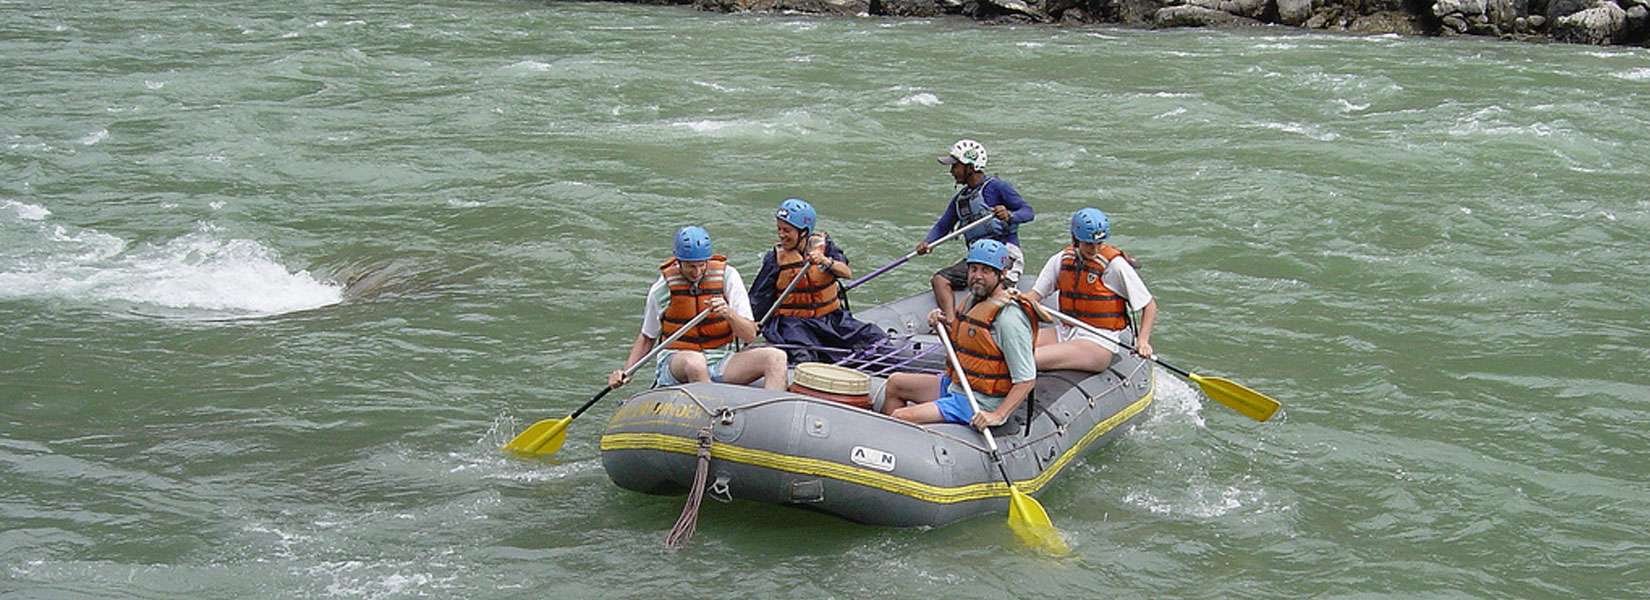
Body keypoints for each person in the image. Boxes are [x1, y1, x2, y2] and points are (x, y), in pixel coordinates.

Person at [881, 240, 1038, 430]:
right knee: (895, 382)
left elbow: (1026, 379)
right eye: (974, 269)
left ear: (1001, 274)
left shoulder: (1008, 319)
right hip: (958, 386)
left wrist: (997, 415)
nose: (977, 276)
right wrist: (940, 327)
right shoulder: (972, 302)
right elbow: (961, 350)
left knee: (900, 416)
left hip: (979, 402)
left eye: (985, 271)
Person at [608, 226, 787, 391]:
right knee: (695, 363)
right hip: (677, 361)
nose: (697, 271)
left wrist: (728, 313)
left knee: (776, 357)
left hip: (720, 360)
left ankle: (774, 414)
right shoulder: (662, 289)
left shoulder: (728, 277)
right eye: (691, 266)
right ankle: (712, 414)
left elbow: (749, 334)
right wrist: (627, 372)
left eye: (702, 264)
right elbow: (647, 337)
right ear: (678, 262)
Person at [748, 198, 886, 364]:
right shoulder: (775, 260)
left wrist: (825, 261)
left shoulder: (825, 247)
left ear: (804, 232)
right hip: (794, 324)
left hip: (830, 319)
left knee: (875, 336)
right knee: (804, 358)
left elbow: (847, 272)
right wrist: (750, 325)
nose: (781, 235)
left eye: (787, 230)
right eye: (779, 229)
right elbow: (758, 298)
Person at [914, 139, 1035, 327]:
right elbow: (942, 226)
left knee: (989, 292)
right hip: (977, 257)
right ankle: (952, 323)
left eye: (955, 166)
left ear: (970, 166)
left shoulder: (997, 187)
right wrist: (927, 243)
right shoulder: (960, 199)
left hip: (1005, 253)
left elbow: (1028, 212)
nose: (952, 171)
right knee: (939, 280)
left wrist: (1009, 215)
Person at [1022, 208, 1157, 373]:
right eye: (1088, 244)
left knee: (1024, 359)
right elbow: (1033, 296)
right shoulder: (1061, 259)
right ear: (1075, 239)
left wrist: (1143, 341)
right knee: (1010, 348)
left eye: (1099, 244)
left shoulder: (1115, 266)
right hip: (1066, 331)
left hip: (1098, 341)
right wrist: (1014, 298)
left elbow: (1149, 305)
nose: (1094, 250)